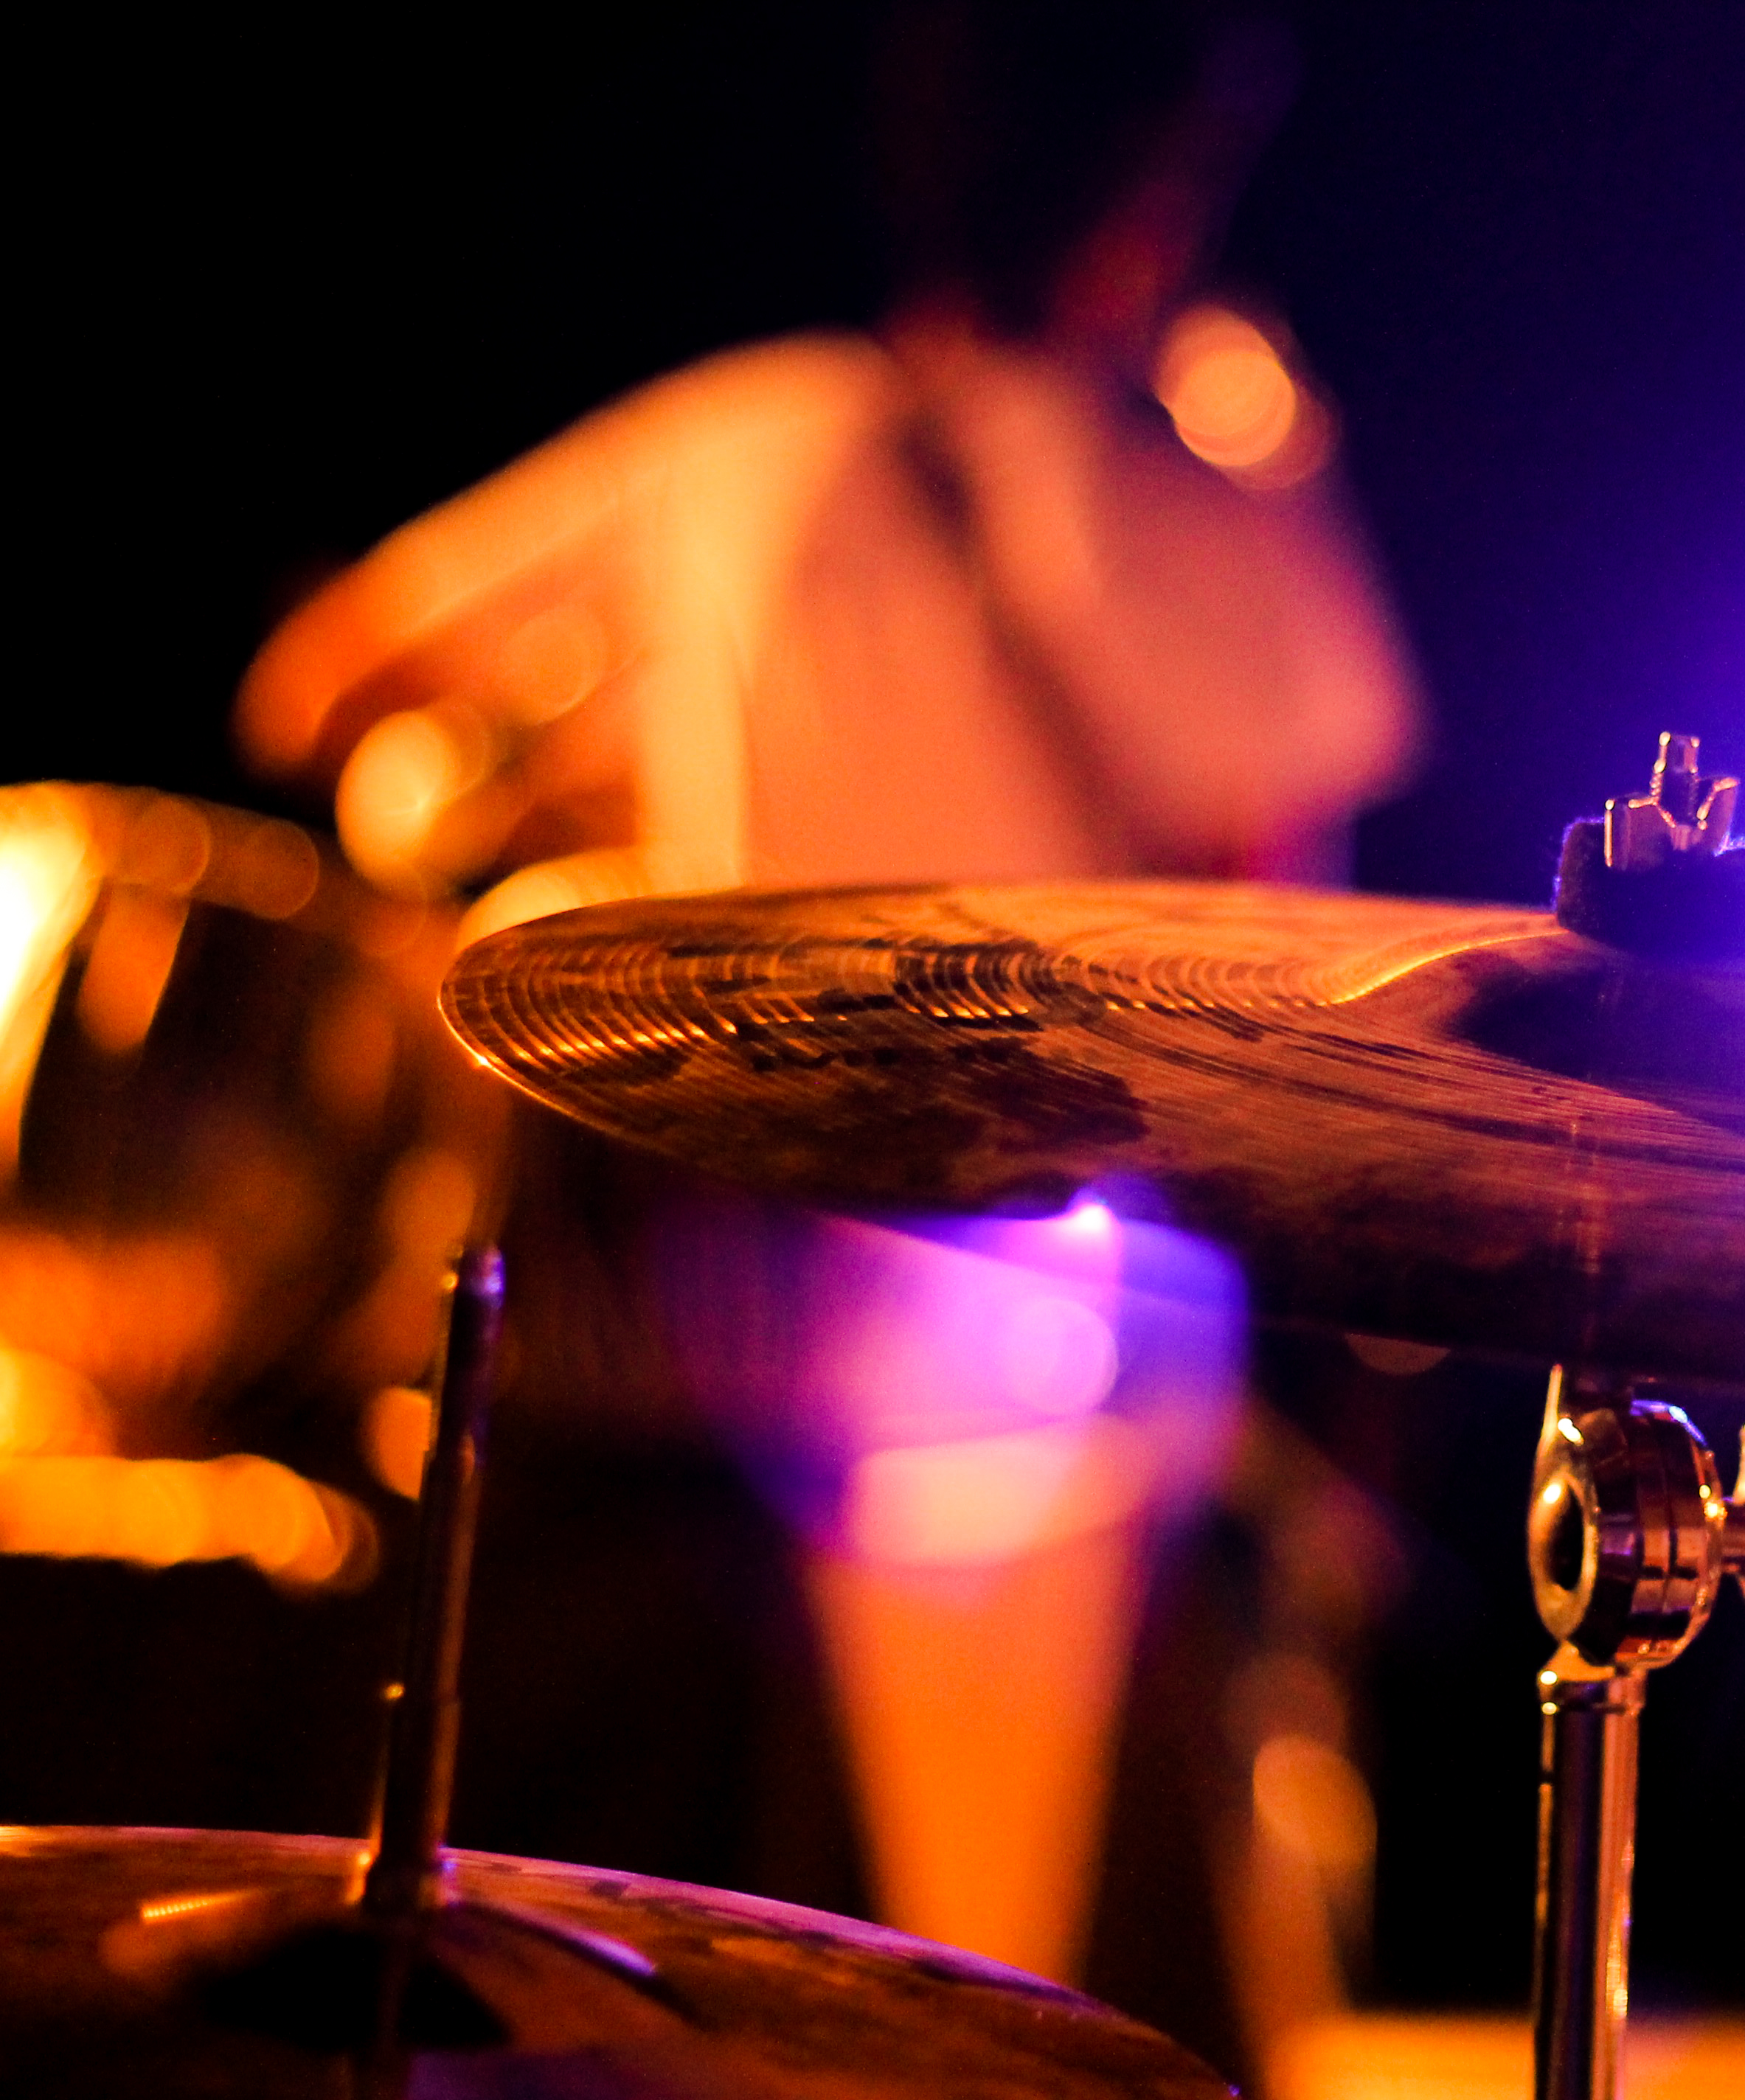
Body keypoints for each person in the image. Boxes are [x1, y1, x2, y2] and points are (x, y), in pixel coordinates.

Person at [230, 5, 1422, 2083]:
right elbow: (1307, 866)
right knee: (1041, 1916)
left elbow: (321, 687)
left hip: (727, 1309)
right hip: (1073, 1302)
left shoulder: (743, 439)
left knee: (742, 1929)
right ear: (1164, 184)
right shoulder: (1216, 472)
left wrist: (570, 786)